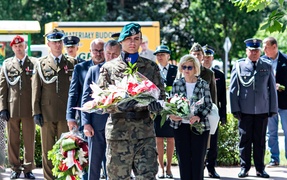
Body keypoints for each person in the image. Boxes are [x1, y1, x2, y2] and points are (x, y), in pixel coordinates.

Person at [97, 22, 165, 180]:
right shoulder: (109, 68)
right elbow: (100, 102)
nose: (133, 42)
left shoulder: (150, 67)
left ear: (141, 41)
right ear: (121, 41)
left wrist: (157, 106)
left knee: (147, 176)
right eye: (128, 39)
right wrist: (118, 106)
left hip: (144, 132)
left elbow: (161, 96)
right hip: (118, 134)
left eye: (136, 38)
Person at [229, 38, 278, 178]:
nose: (254, 53)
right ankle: (244, 168)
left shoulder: (267, 65)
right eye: (251, 50)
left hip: (262, 110)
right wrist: (235, 109)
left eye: (257, 50)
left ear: (260, 51)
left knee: (260, 141)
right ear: (247, 51)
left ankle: (260, 169)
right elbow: (233, 89)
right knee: (244, 140)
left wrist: (273, 108)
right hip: (244, 110)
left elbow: (272, 89)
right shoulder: (239, 65)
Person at [31, 28, 75, 179]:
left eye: (60, 41)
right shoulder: (40, 64)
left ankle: (65, 177)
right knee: (48, 150)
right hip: (47, 114)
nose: (57, 45)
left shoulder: (71, 63)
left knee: (66, 149)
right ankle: (49, 178)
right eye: (54, 42)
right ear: (48, 43)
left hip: (65, 114)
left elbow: (75, 90)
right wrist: (36, 112)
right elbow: (36, 90)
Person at [66, 38, 105, 179]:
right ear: (90, 52)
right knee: (88, 158)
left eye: (101, 50)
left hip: (106, 119)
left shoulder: (111, 67)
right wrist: (70, 117)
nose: (98, 53)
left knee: (107, 158)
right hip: (86, 119)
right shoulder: (81, 68)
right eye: (95, 50)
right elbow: (74, 93)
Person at [169, 54, 213, 180]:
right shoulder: (177, 83)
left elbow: (208, 104)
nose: (187, 70)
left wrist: (198, 116)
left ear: (195, 69)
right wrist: (171, 115)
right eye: (184, 67)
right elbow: (170, 104)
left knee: (198, 160)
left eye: (190, 67)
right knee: (183, 160)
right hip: (180, 126)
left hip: (199, 126)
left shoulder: (203, 84)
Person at [0, 35, 36, 179]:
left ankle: (28, 169)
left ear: (25, 46)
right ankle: (15, 168)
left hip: (29, 109)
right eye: (15, 46)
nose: (18, 48)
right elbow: (2, 89)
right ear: (12, 48)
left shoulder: (34, 63)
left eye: (20, 45)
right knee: (12, 140)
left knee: (29, 140)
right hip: (12, 108)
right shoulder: (7, 65)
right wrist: (3, 108)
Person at [202, 44, 227, 178]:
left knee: (213, 143)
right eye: (204, 57)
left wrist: (223, 116)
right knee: (200, 142)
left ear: (212, 58)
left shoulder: (219, 75)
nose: (206, 59)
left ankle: (211, 168)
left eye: (209, 57)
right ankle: (200, 167)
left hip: (213, 113)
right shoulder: (196, 72)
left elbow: (223, 97)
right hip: (199, 113)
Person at [262, 37, 287, 167]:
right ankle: (274, 158)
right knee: (271, 132)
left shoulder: (285, 60)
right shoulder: (262, 61)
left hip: (285, 103)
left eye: (266, 47)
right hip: (269, 103)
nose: (263, 50)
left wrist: (281, 86)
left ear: (274, 47)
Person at [153, 45, 177, 179]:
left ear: (168, 56)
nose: (160, 57)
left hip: (172, 107)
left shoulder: (175, 69)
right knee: (159, 139)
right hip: (158, 108)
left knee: (171, 139)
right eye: (158, 54)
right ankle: (161, 168)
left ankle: (169, 168)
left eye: (162, 54)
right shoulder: (154, 70)